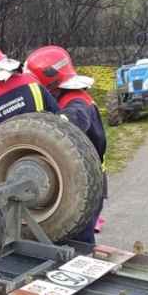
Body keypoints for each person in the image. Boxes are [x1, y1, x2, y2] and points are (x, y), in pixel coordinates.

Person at [24, 45, 108, 244]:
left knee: (80, 242)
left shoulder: (77, 104)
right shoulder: (69, 97)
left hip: (86, 184)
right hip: (83, 179)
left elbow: (74, 121)